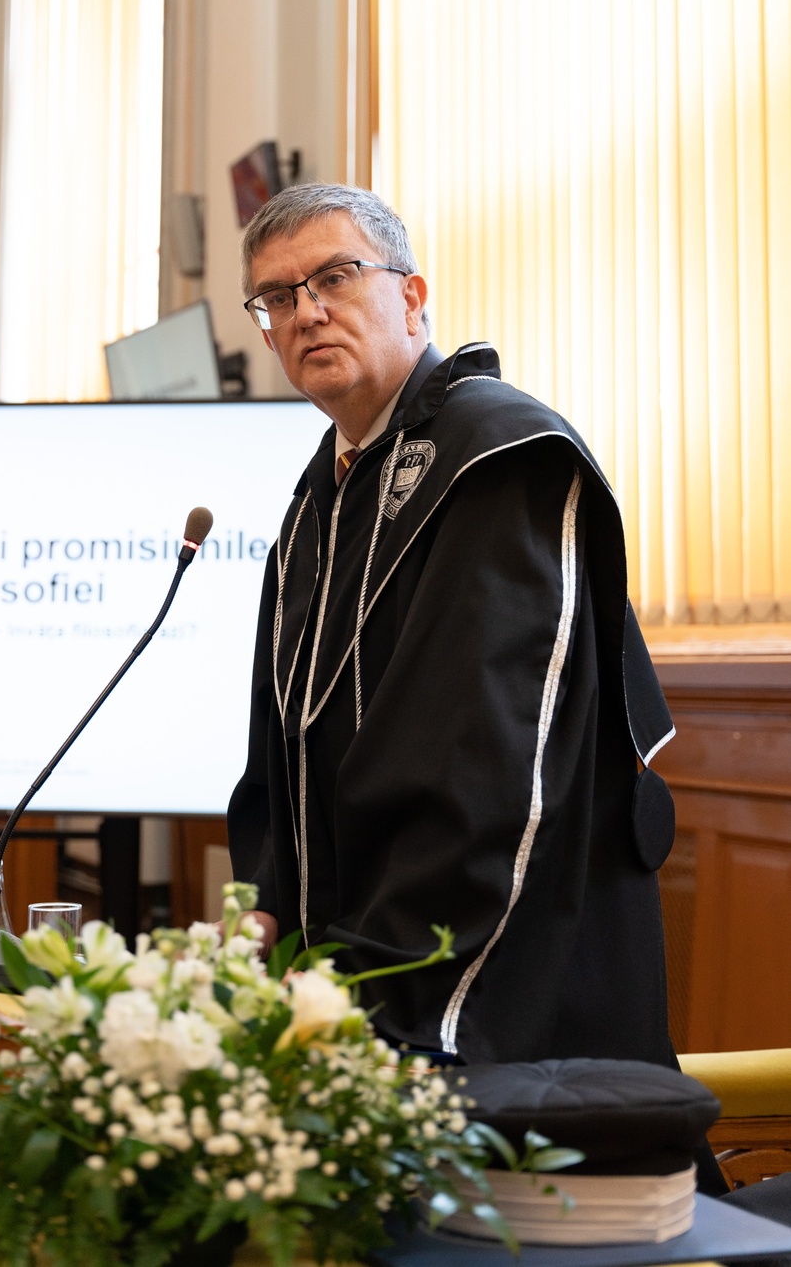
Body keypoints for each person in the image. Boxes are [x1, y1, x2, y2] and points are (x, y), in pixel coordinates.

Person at [226, 182, 678, 1069]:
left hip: (487, 990)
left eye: (335, 277)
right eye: (277, 298)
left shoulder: (499, 457)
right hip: (350, 976)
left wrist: (377, 993)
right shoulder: (317, 502)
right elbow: (286, 745)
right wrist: (266, 904)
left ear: (411, 296)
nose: (307, 312)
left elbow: (486, 765)